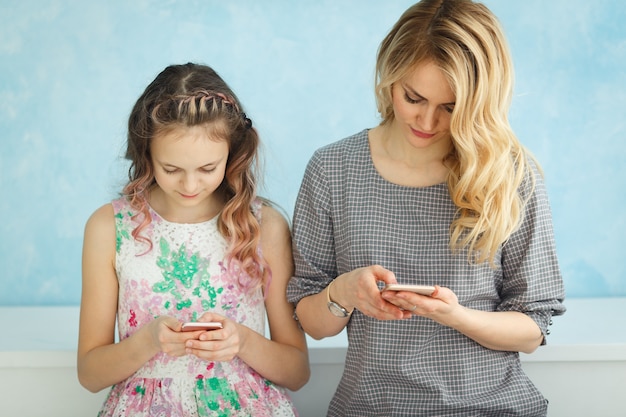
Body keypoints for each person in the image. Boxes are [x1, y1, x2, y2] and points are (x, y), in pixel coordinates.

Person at [287, 1, 566, 416]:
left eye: (451, 107)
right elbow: (310, 320)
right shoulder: (333, 169)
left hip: (489, 407)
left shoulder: (509, 175)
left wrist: (456, 316)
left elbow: (532, 328)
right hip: (371, 407)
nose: (427, 121)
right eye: (413, 97)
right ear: (390, 77)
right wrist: (344, 292)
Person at [78, 62, 309, 416]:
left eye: (207, 169)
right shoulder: (110, 227)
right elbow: (90, 375)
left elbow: (296, 371)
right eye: (171, 169)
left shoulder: (265, 226)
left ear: (232, 154)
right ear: (147, 154)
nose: (189, 186)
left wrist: (242, 341)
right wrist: (149, 341)